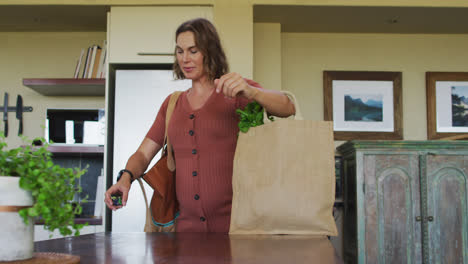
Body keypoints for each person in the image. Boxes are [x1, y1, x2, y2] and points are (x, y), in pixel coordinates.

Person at [104, 18, 295, 233]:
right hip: (185, 232)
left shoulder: (236, 91)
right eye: (180, 51)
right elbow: (143, 154)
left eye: (193, 51)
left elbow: (288, 108)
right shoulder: (172, 104)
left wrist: (253, 92)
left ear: (210, 51)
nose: (185, 59)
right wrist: (125, 178)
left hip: (238, 230)